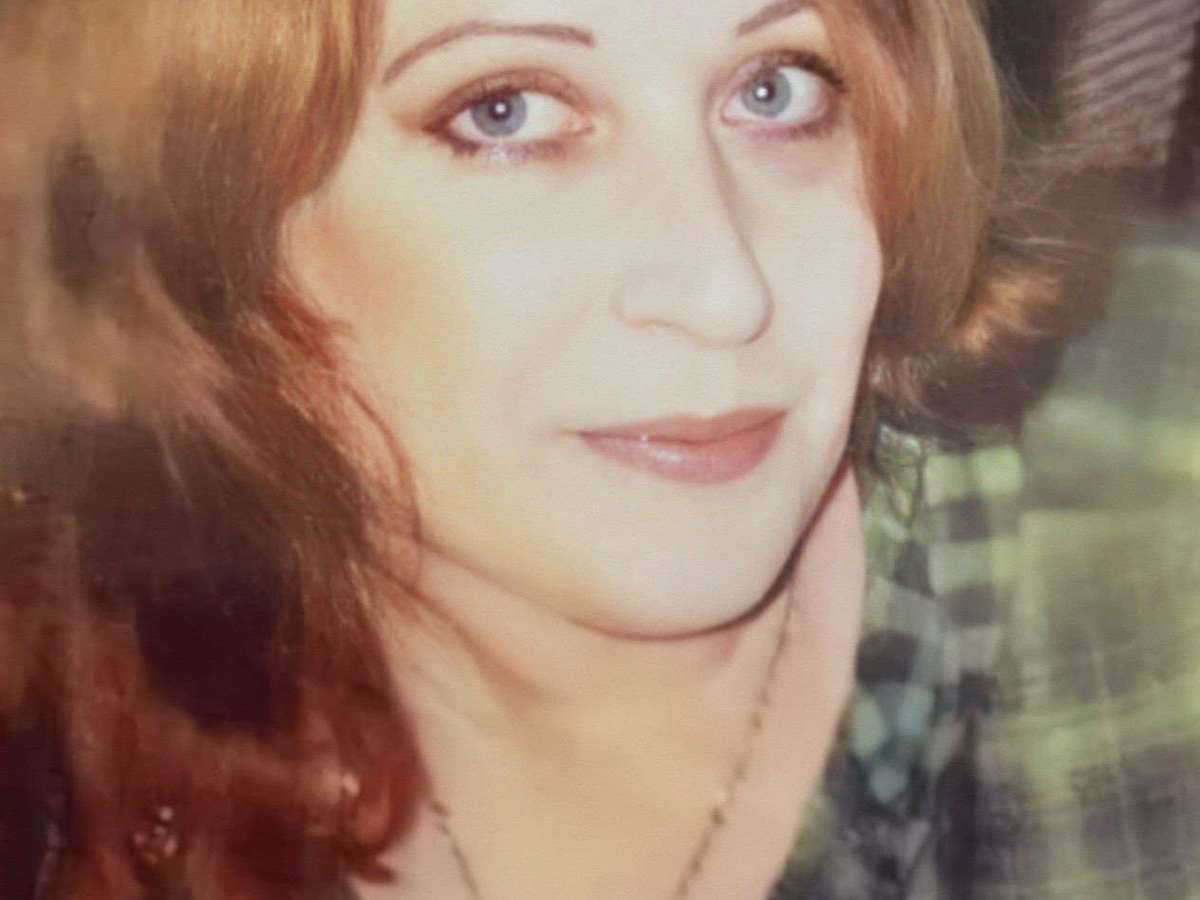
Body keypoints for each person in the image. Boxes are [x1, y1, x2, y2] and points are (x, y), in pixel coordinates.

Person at [0, 1, 1110, 898]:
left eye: (778, 88)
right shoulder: (67, 751)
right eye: (505, 111)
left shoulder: (1136, 553)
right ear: (188, 231)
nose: (725, 290)